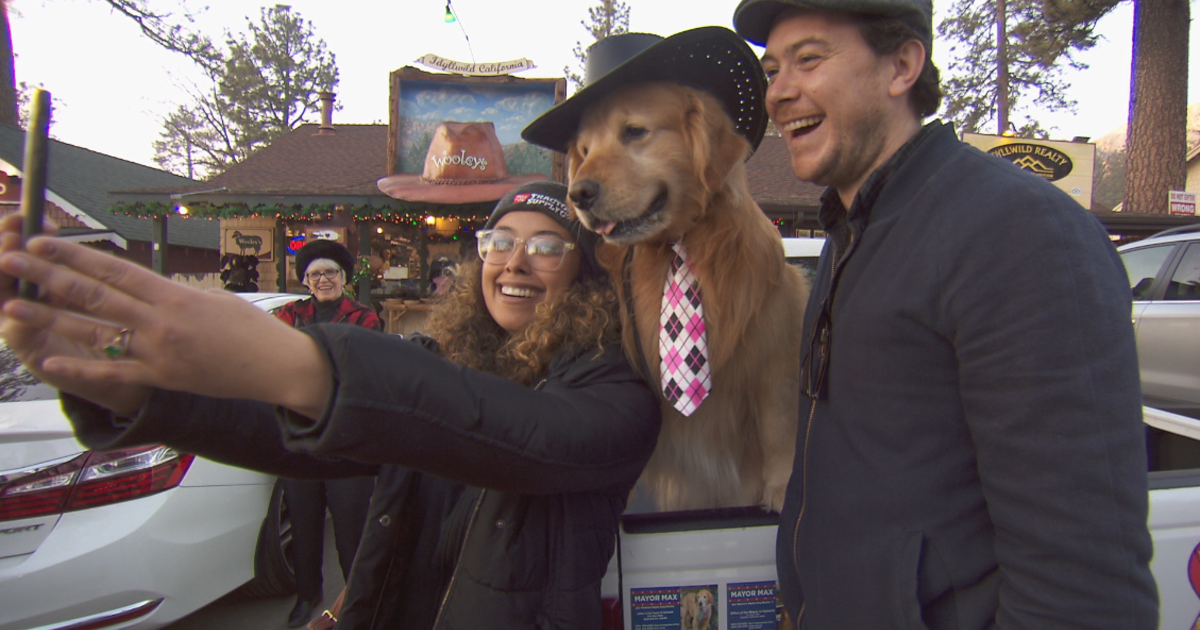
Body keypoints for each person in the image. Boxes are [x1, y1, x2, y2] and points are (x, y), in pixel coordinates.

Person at [0, 181, 660, 629]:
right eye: (498, 242)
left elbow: (511, 432)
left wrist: (301, 361)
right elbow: (290, 434)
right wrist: (138, 388)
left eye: (547, 246)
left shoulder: (614, 393)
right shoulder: (444, 363)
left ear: (585, 274)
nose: (514, 261)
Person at [729, 0, 1157, 627]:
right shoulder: (850, 238)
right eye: (771, 71)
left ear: (902, 65)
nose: (780, 92)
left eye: (809, 60)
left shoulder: (1018, 231)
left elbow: (1084, 589)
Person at [276, 239, 379, 627]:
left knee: (352, 527)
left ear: (344, 278)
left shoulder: (364, 316)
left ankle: (355, 600)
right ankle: (308, 597)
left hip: (347, 437)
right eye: (315, 274)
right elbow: (276, 359)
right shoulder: (289, 313)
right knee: (303, 523)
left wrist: (306, 361)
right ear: (305, 280)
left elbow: (359, 366)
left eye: (331, 273)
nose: (324, 280)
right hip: (299, 434)